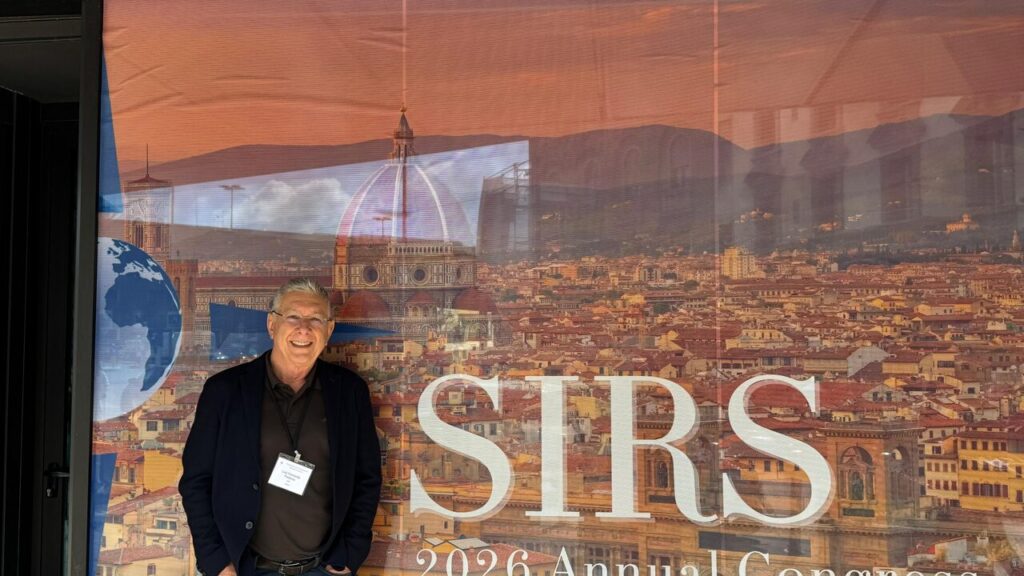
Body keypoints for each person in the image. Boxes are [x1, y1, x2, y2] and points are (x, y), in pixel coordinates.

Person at [180, 278, 381, 576]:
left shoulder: (349, 392)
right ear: (272, 325)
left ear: (329, 330)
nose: (304, 329)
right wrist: (217, 563)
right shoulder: (224, 391)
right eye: (293, 317)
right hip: (244, 569)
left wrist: (349, 555)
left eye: (316, 319)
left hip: (323, 569)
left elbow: (367, 478)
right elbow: (196, 481)